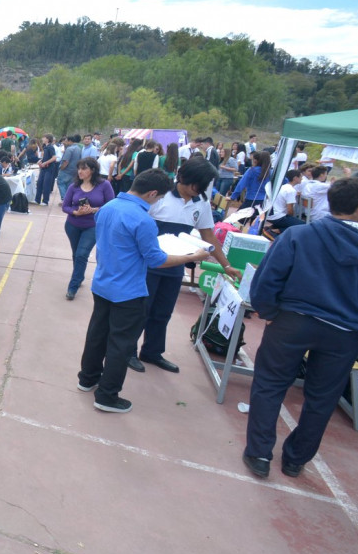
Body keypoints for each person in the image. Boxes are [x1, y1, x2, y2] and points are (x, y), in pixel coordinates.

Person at [242, 178, 358, 479]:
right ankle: (296, 459)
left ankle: (259, 453)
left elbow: (268, 279)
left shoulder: (299, 235)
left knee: (269, 385)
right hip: (344, 333)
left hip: (292, 322)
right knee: (322, 399)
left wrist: (268, 312)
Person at [76, 170, 211, 412]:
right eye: (158, 198)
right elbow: (155, 259)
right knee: (120, 343)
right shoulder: (143, 220)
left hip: (103, 282)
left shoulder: (107, 208)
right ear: (152, 193)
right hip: (128, 291)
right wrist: (192, 256)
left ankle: (87, 378)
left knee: (97, 333)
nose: (157, 203)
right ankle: (107, 396)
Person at [132, 158, 239, 374]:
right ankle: (127, 352)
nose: (199, 189)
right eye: (198, 184)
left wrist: (226, 265)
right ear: (185, 178)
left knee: (163, 312)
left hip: (175, 266)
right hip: (150, 265)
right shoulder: (160, 196)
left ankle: (152, 352)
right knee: (140, 310)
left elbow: (208, 234)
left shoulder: (200, 203)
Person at [61, 157, 115, 300]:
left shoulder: (104, 185)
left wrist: (94, 209)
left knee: (81, 254)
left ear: (92, 170)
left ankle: (73, 286)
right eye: (79, 168)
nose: (80, 171)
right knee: (76, 253)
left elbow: (111, 205)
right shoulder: (74, 186)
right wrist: (75, 212)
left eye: (84, 168)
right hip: (73, 225)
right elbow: (65, 206)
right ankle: (79, 276)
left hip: (92, 226)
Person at [34, 134, 57, 205]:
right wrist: (40, 161)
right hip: (43, 168)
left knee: (46, 184)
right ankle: (37, 199)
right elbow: (45, 157)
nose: (42, 139)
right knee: (39, 183)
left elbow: (54, 158)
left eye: (44, 138)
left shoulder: (51, 147)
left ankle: (45, 201)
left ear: (47, 139)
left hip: (49, 168)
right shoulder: (45, 147)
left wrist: (46, 162)